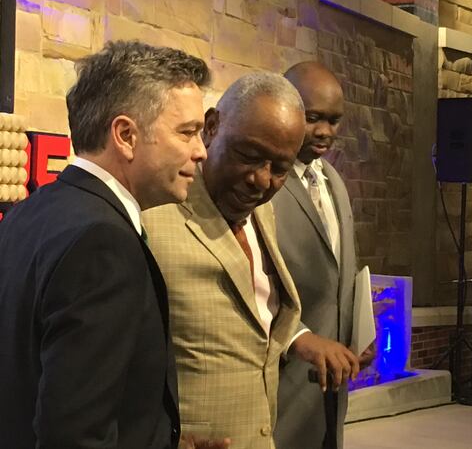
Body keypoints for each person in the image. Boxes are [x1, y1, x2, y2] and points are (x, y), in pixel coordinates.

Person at [0, 40, 209, 449]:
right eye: (188, 132)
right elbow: (75, 434)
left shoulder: (29, 212)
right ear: (126, 135)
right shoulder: (104, 242)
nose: (201, 151)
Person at [142, 72, 306, 449]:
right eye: (248, 156)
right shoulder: (155, 213)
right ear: (212, 126)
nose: (261, 180)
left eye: (280, 169)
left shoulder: (262, 214)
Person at [272, 61, 374, 449]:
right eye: (314, 118)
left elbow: (342, 274)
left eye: (334, 121)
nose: (325, 133)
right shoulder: (261, 183)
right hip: (283, 381)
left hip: (333, 384)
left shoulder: (334, 182)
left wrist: (357, 335)